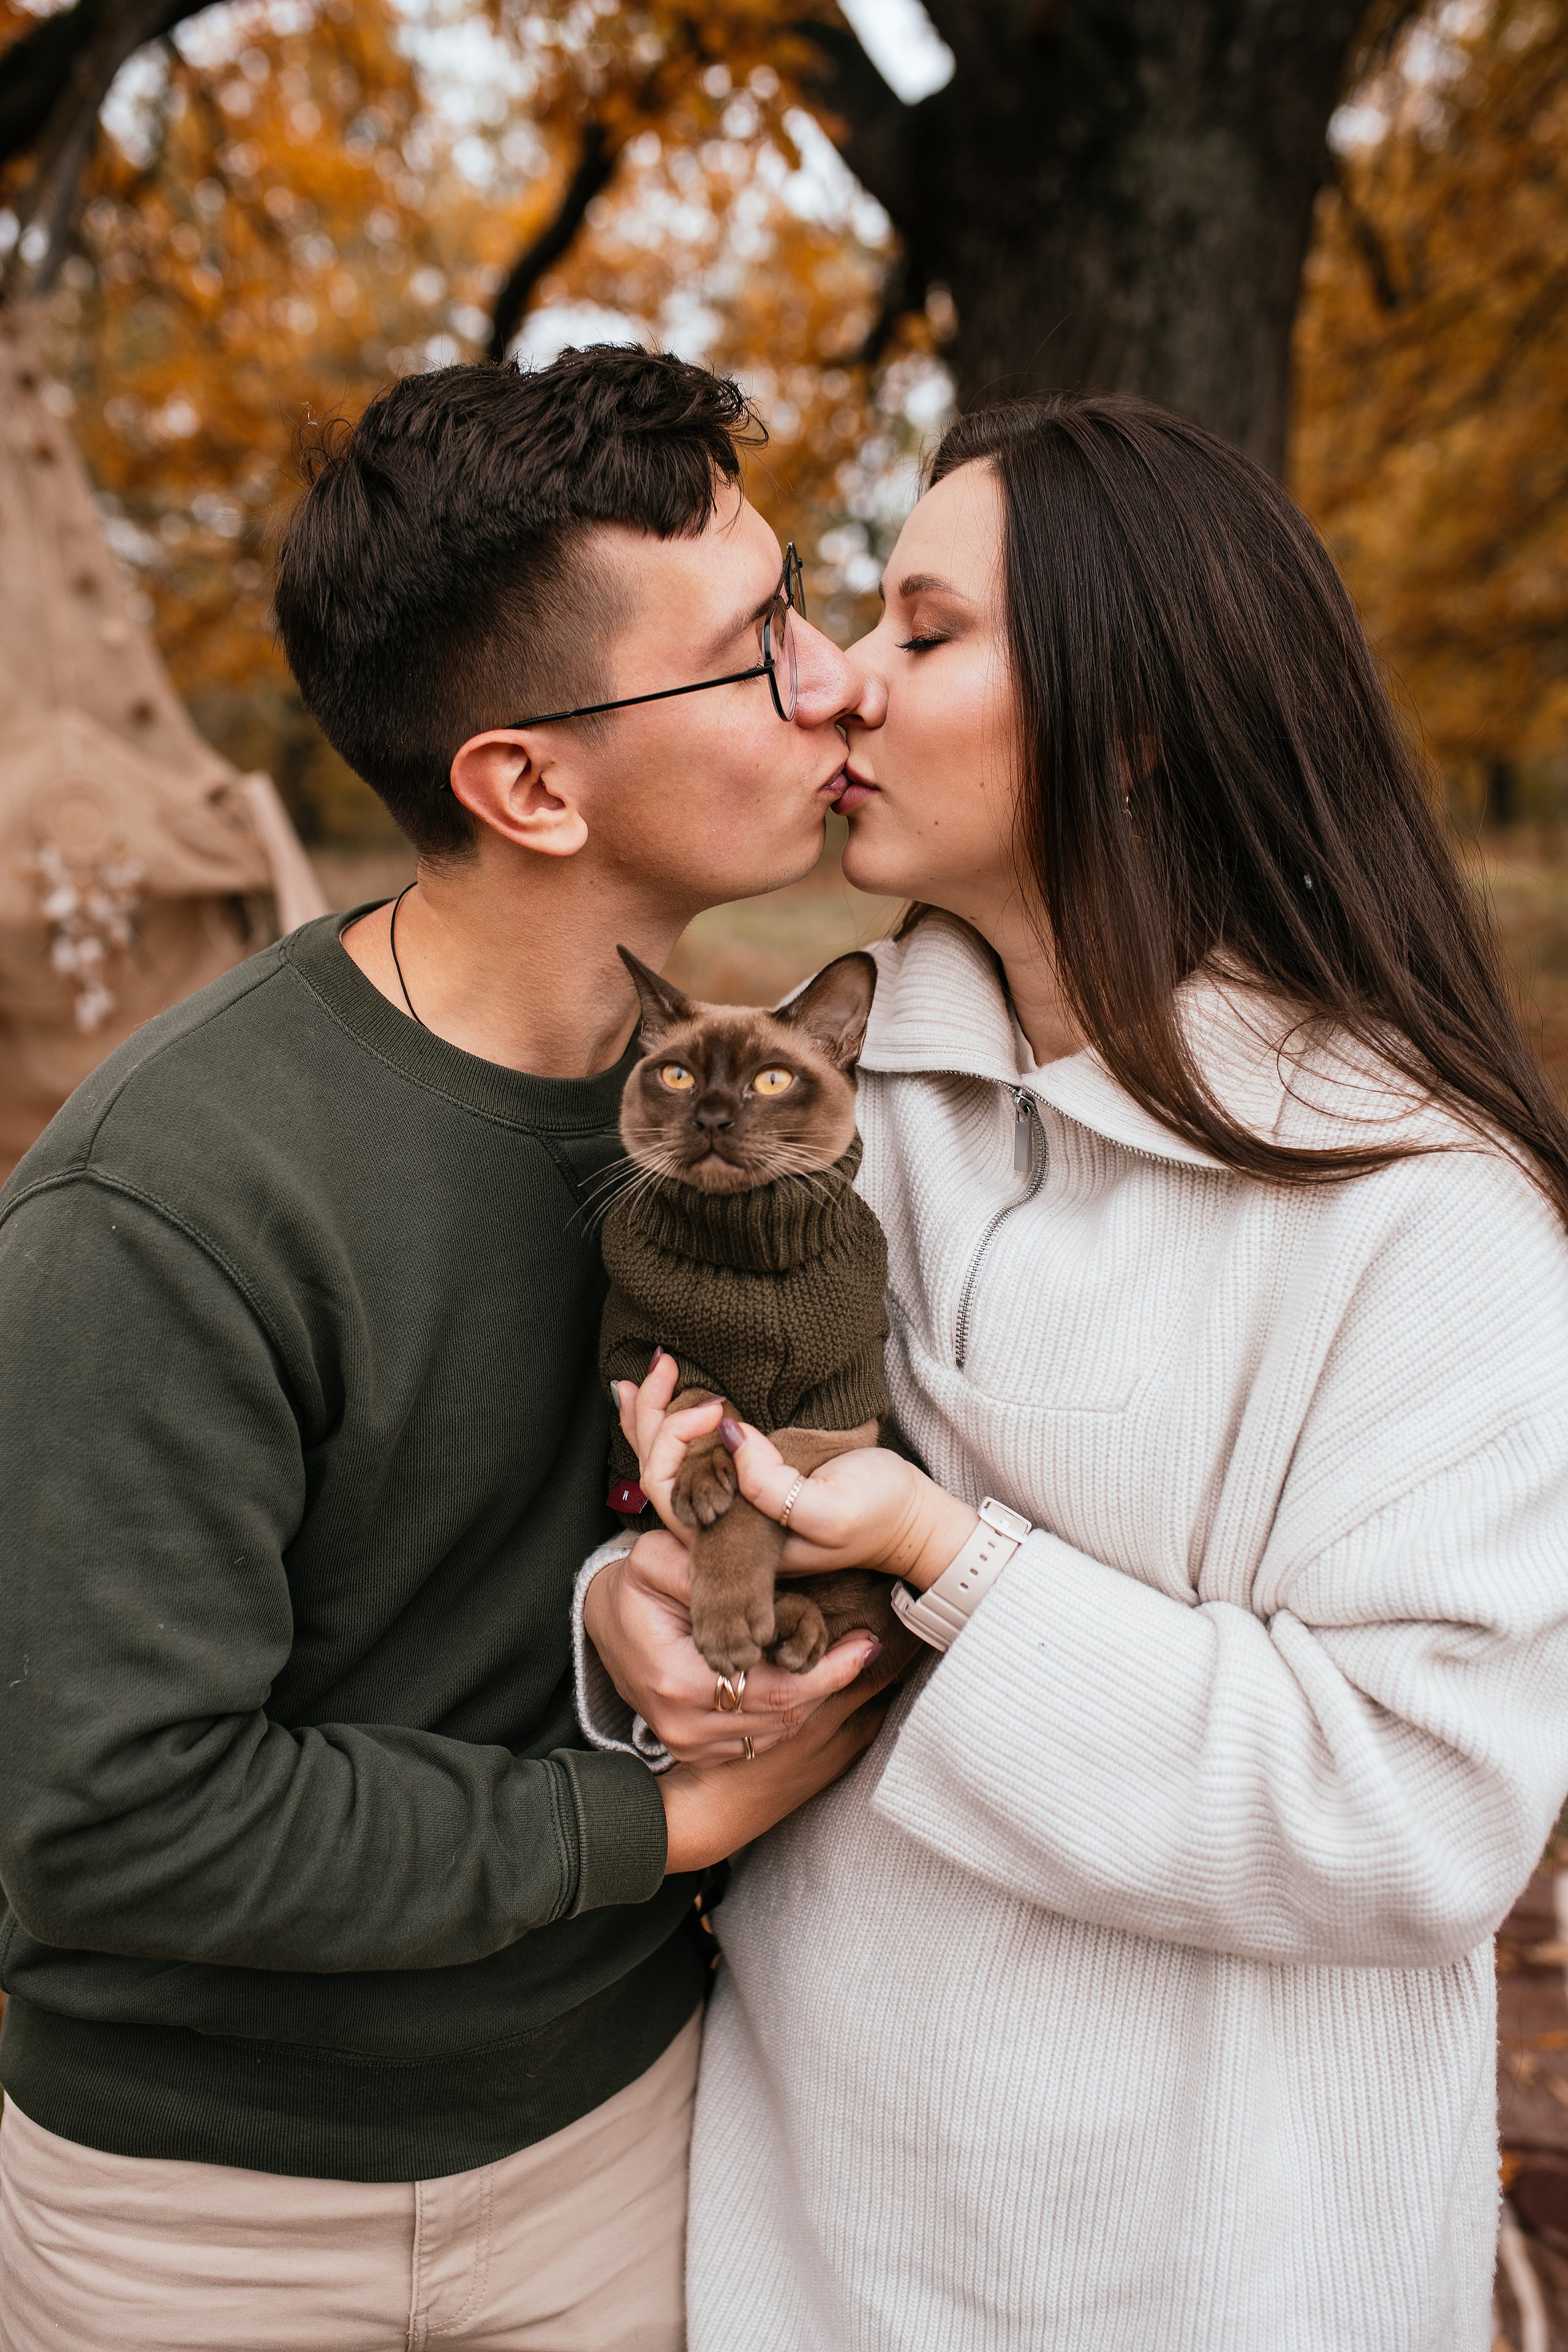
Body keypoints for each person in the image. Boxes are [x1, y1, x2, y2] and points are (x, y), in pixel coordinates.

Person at [580, 394, 1568, 2351]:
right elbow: (670, 1508)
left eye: (926, 631)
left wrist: (959, 1557)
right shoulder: (830, 1123)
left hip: (1226, 2272)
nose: (840, 679)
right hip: (808, 2242)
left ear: (1134, 716)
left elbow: (1424, 1810)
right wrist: (630, 1611)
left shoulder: (1425, 1209)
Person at [0, 348, 889, 2352]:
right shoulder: (170, 1207)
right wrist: (665, 1824)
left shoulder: (766, 1108)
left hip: (628, 2131)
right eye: (758, 648)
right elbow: (114, 1812)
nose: (835, 679)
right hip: (214, 2220)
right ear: (528, 783)